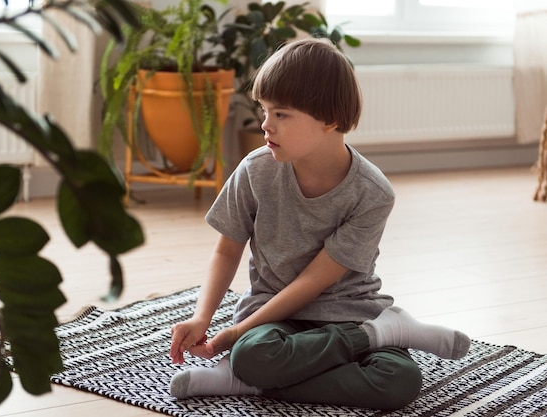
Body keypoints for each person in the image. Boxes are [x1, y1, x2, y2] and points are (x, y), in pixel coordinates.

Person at [168, 37, 471, 410]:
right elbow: (226, 249)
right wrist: (204, 318)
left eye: (281, 115)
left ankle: (245, 380)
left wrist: (234, 335)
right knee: (255, 353)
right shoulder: (255, 171)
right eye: (264, 111)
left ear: (331, 120)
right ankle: (369, 338)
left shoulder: (372, 192)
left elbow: (315, 280)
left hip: (351, 316)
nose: (266, 126)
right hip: (274, 316)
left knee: (399, 381)